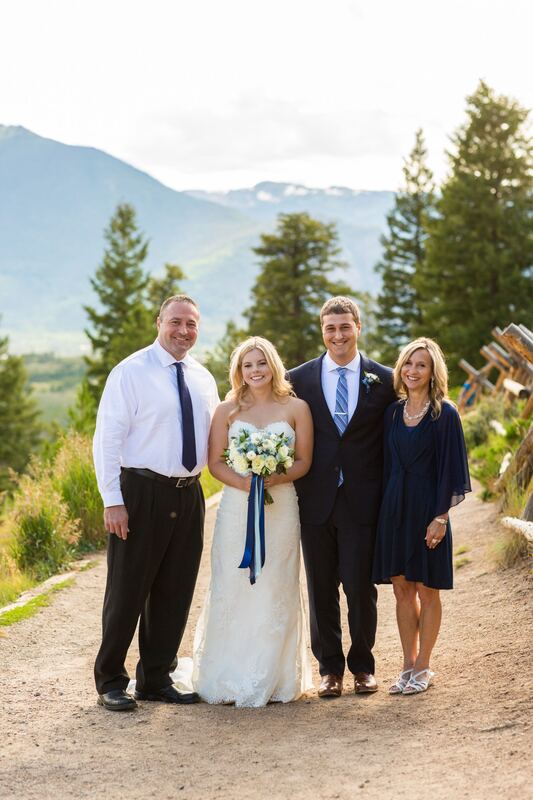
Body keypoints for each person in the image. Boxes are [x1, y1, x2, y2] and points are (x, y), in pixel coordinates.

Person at [93, 295, 219, 711]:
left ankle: (155, 678)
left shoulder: (203, 378)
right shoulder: (130, 372)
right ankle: (111, 679)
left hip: (189, 492)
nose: (184, 331)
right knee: (128, 588)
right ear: (159, 322)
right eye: (176, 322)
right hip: (140, 492)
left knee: (176, 587)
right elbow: (107, 439)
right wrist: (113, 500)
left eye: (192, 324)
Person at [189, 336, 314, 707]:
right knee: (234, 581)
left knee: (277, 583)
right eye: (248, 365)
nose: (255, 370)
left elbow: (304, 460)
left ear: (273, 365)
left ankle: (275, 677)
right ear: (239, 371)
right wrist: (248, 483)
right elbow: (215, 464)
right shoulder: (227, 410)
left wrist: (274, 477)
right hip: (236, 507)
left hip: (281, 506)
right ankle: (228, 674)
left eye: (261, 363)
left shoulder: (297, 408)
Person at [289, 297, 396, 698]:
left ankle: (363, 667)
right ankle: (329, 669)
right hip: (314, 499)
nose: (338, 335)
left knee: (359, 586)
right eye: (330, 328)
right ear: (322, 331)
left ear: (358, 327)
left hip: (362, 501)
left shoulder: (384, 380)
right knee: (320, 588)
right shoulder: (298, 378)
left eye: (345, 327)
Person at [372, 337, 471, 694]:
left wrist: (440, 517)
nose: (413, 371)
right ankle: (407, 665)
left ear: (433, 372)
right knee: (401, 590)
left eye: (422, 365)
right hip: (394, 508)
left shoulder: (445, 414)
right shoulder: (392, 413)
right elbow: (384, 466)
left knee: (428, 591)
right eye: (409, 364)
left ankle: (425, 667)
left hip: (428, 509)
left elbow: (452, 469)